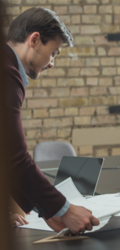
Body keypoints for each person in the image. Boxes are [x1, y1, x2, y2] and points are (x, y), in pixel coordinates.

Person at [4, 7, 99, 234]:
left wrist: (46, 210)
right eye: (54, 52)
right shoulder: (7, 74)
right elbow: (14, 158)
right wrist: (65, 210)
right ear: (34, 40)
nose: (52, 63)